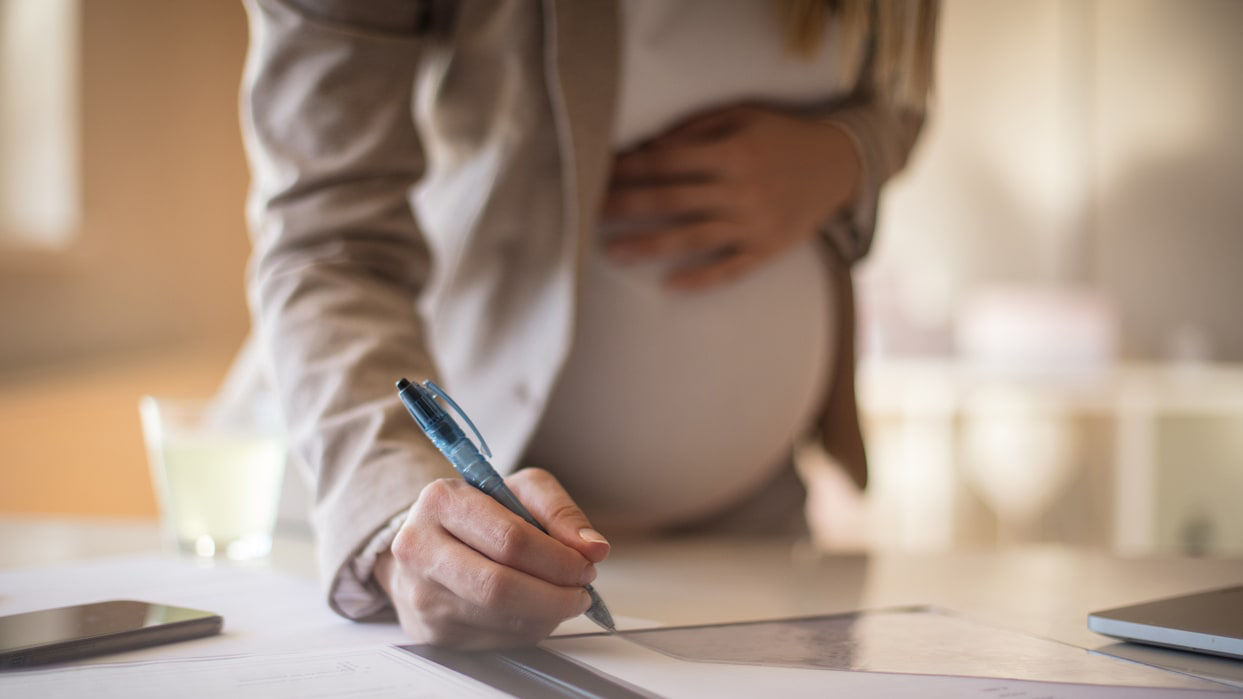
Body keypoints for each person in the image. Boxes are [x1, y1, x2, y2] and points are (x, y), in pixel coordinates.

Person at [234, 0, 936, 648]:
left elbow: (904, 91)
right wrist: (392, 520)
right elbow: (326, 240)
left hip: (754, 520)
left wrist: (849, 153)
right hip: (464, 541)